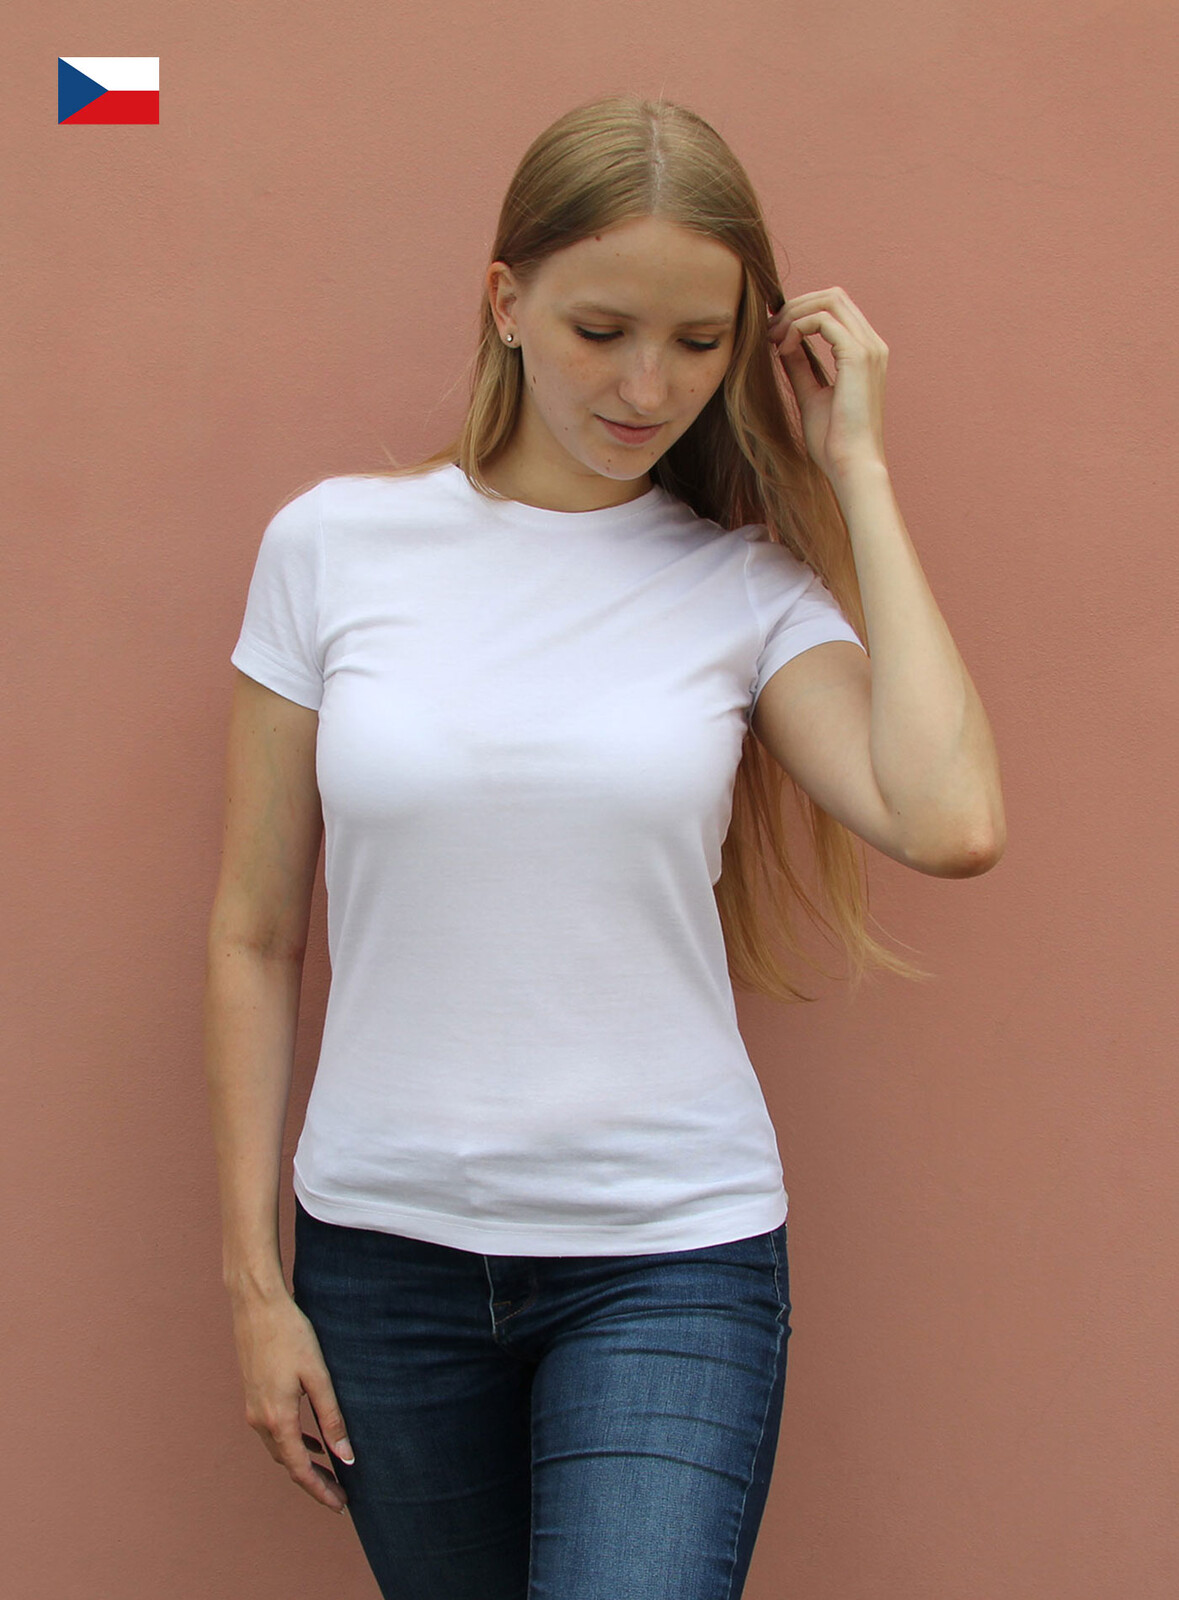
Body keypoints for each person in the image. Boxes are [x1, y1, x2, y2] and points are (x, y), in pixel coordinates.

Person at [204, 94, 1005, 1600]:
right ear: (505, 302)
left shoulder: (744, 590)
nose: (649, 386)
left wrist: (859, 471)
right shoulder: (330, 549)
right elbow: (254, 932)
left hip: (671, 1260)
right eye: (601, 330)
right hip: (381, 1258)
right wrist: (256, 1285)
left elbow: (951, 820)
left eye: (700, 342)